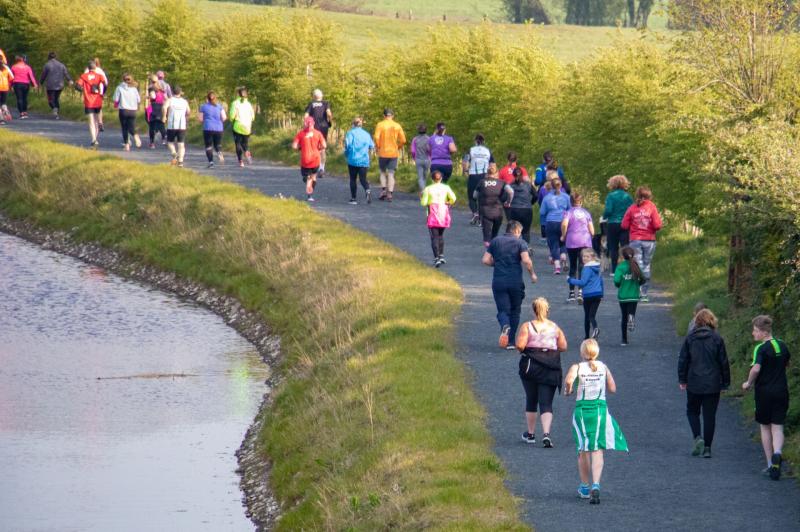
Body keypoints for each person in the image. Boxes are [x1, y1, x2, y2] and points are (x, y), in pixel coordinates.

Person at [564, 339, 628, 505]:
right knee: (597, 448)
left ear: (582, 352)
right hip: (600, 410)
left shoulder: (577, 367)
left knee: (583, 448)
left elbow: (569, 380)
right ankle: (596, 485)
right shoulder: (603, 367)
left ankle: (585, 487)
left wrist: (568, 390)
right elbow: (613, 388)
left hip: (582, 411)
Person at [742, 315, 791, 480]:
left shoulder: (761, 348)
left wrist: (748, 383)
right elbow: (786, 364)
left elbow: (756, 368)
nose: (753, 333)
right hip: (781, 391)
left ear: (764, 332)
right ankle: (778, 452)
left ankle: (771, 464)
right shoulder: (782, 345)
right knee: (778, 427)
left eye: (755, 331)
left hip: (764, 393)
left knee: (765, 427)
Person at [678, 309, 730, 459]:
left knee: (692, 411)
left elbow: (683, 360)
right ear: (712, 321)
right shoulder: (717, 338)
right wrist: (725, 382)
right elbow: (723, 362)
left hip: (694, 381)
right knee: (709, 416)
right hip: (713, 383)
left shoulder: (690, 338)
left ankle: (697, 437)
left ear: (697, 321)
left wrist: (682, 379)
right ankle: (707, 448)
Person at [515, 297, 567, 447]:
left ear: (533, 310)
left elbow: (520, 345)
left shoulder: (527, 326)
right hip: (550, 367)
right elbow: (563, 346)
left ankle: (531, 434)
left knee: (531, 399)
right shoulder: (555, 327)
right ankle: (546, 434)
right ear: (547, 310)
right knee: (546, 402)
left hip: (531, 367)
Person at [482, 220, 538, 349]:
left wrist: (496, 264)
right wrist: (532, 274)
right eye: (520, 232)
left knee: (503, 311)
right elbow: (526, 261)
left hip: (499, 281)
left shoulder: (496, 241)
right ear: (517, 231)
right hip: (515, 281)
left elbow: (485, 260)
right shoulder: (520, 243)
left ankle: (505, 325)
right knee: (515, 311)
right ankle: (511, 342)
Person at [621, 186, 662, 302]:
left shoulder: (632, 208)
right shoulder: (652, 207)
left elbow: (624, 225)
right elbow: (657, 225)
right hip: (649, 240)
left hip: (635, 240)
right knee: (646, 265)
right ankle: (644, 293)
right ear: (649, 195)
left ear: (637, 195)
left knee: (637, 265)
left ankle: (637, 290)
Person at [561, 193, 594, 302]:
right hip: (584, 241)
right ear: (581, 202)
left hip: (572, 241)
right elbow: (592, 230)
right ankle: (581, 292)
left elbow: (564, 224)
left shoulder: (568, 212)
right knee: (582, 266)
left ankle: (571, 293)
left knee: (573, 266)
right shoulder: (586, 213)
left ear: (571, 202)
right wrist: (591, 235)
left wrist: (564, 235)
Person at [421, 169, 456, 267]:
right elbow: (453, 198)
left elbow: (424, 203)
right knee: (440, 235)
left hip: (432, 214)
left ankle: (436, 258)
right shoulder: (446, 188)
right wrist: (449, 202)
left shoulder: (428, 189)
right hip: (443, 213)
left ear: (432, 179)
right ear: (441, 179)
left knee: (434, 236)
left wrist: (422, 197)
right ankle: (441, 255)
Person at [569, 249, 604, 339]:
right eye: (583, 256)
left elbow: (583, 282)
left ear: (592, 258)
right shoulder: (598, 267)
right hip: (597, 294)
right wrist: (602, 294)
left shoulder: (586, 268)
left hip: (588, 294)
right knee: (592, 316)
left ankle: (587, 336)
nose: (584, 258)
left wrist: (570, 280)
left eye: (587, 256)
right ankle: (595, 328)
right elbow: (601, 281)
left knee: (587, 316)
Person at [373, 108, 406, 202]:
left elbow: (376, 137)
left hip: (383, 152)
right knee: (391, 173)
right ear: (393, 116)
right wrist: (398, 147)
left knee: (382, 172)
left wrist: (378, 146)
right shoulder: (397, 125)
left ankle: (383, 190)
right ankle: (390, 193)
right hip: (393, 153)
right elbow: (403, 140)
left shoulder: (380, 124)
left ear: (384, 116)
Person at [475, 165, 512, 247]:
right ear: (497, 173)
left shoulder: (482, 182)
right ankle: (493, 248)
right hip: (498, 212)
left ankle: (488, 248)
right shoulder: (502, 182)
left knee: (486, 235)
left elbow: (474, 195)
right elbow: (511, 192)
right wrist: (508, 202)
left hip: (485, 211)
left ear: (487, 173)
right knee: (495, 233)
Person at [603, 175, 634, 274]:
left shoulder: (610, 196)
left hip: (613, 224)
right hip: (625, 224)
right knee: (625, 246)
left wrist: (604, 216)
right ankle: (628, 268)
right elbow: (632, 210)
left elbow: (608, 210)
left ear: (612, 184)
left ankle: (614, 270)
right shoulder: (628, 196)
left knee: (613, 247)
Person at [539, 177, 571, 274]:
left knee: (554, 244)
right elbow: (570, 209)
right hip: (563, 221)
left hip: (551, 222)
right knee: (563, 241)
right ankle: (563, 256)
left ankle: (557, 267)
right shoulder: (566, 197)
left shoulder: (547, 197)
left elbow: (542, 212)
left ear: (551, 186)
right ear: (561, 185)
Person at [292, 116, 327, 202]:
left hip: (305, 160)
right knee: (313, 177)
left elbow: (294, 146)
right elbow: (324, 145)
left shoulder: (300, 134)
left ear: (305, 124)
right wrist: (319, 148)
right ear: (313, 124)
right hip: (316, 159)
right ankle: (310, 193)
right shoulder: (318, 133)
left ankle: (309, 194)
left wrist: (300, 147)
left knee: (308, 178)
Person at [614, 246, 644, 346]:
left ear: (622, 256)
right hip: (633, 295)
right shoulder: (635, 265)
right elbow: (643, 278)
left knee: (624, 317)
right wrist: (637, 284)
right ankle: (632, 316)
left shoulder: (620, 267)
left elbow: (616, 281)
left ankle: (624, 340)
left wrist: (619, 285)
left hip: (623, 296)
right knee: (631, 312)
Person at [75, 60, 108, 146]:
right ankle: (96, 138)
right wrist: (102, 93)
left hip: (88, 101)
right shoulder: (100, 76)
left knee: (91, 121)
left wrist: (83, 90)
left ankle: (93, 139)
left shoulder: (84, 76)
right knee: (96, 121)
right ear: (95, 67)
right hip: (98, 100)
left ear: (88, 68)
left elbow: (77, 86)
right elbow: (105, 84)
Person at [343, 116, 374, 204]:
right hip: (364, 160)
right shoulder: (367, 134)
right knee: (363, 179)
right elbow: (371, 146)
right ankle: (367, 190)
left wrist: (346, 154)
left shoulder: (350, 133)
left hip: (353, 159)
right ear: (361, 125)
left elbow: (348, 145)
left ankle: (353, 199)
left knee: (353, 179)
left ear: (353, 124)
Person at [465, 134, 493, 226]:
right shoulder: (488, 151)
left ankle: (475, 213)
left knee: (471, 197)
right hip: (485, 176)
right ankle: (481, 217)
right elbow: (492, 165)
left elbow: (465, 162)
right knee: (483, 197)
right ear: (483, 141)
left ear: (475, 141)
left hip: (473, 175)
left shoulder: (471, 150)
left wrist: (466, 171)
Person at [303, 89, 332, 175]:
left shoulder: (311, 104)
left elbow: (306, 116)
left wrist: (306, 125)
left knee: (313, 146)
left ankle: (313, 166)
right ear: (322, 95)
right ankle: (322, 168)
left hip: (313, 128)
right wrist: (329, 121)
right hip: (324, 127)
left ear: (313, 96)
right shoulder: (326, 103)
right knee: (322, 147)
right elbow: (329, 113)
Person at [112, 74, 142, 151]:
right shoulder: (134, 89)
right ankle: (135, 135)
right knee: (131, 126)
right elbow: (139, 100)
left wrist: (116, 104)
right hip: (133, 111)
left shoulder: (119, 88)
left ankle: (127, 145)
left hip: (123, 110)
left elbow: (115, 99)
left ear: (123, 80)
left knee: (124, 128)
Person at [39, 52, 72, 120]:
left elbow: (43, 75)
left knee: (51, 100)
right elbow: (66, 73)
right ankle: (56, 113)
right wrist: (69, 80)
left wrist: (40, 83)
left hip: (50, 85)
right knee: (56, 99)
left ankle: (55, 109)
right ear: (55, 57)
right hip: (60, 85)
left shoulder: (47, 65)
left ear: (49, 57)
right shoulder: (61, 65)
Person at [163, 85, 190, 167]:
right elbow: (188, 111)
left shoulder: (170, 100)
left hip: (172, 125)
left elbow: (164, 107)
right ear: (180, 93)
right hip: (182, 125)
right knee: (181, 144)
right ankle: (181, 161)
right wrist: (186, 117)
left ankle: (174, 153)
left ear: (172, 92)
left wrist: (164, 116)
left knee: (170, 142)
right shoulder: (184, 101)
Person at [507, 167, 535, 244]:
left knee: (513, 229)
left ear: (513, 175)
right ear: (522, 174)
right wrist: (531, 202)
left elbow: (504, 196)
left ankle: (514, 246)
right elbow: (536, 195)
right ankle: (525, 247)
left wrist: (508, 202)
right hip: (527, 209)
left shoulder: (510, 185)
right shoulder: (528, 185)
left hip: (514, 209)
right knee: (526, 231)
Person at [199, 91, 226, 168]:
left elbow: (200, 119)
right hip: (219, 128)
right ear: (215, 98)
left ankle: (211, 163)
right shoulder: (220, 106)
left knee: (208, 146)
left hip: (208, 128)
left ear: (207, 98)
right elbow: (224, 117)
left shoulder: (203, 107)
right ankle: (219, 152)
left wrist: (205, 121)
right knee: (217, 144)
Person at [229, 87, 255, 167]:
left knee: (238, 144)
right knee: (245, 143)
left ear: (238, 94)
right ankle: (247, 152)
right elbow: (253, 117)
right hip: (247, 127)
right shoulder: (249, 104)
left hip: (238, 126)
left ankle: (241, 161)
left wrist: (232, 120)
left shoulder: (235, 103)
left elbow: (232, 116)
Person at [146, 75, 167, 148]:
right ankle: (164, 138)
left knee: (151, 125)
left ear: (151, 81)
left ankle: (152, 143)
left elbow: (153, 97)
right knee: (161, 124)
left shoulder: (151, 88)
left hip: (153, 106)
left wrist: (148, 97)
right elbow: (165, 98)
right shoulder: (161, 88)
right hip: (161, 107)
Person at [87, 58, 107, 131]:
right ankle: (100, 122)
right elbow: (105, 83)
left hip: (89, 92)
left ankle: (93, 123)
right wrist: (103, 92)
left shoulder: (87, 70)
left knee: (91, 108)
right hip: (100, 91)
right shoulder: (100, 71)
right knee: (99, 107)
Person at [410, 123, 431, 193]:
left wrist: (414, 158)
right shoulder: (429, 139)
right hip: (427, 159)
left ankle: (423, 190)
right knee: (425, 176)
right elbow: (430, 149)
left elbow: (413, 151)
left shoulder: (415, 139)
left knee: (420, 177)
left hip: (418, 159)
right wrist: (430, 157)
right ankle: (424, 191)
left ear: (418, 130)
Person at [0, 60, 13, 125]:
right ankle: (5, 110)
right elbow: (12, 77)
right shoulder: (6, 68)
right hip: (5, 87)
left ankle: (1, 119)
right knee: (3, 102)